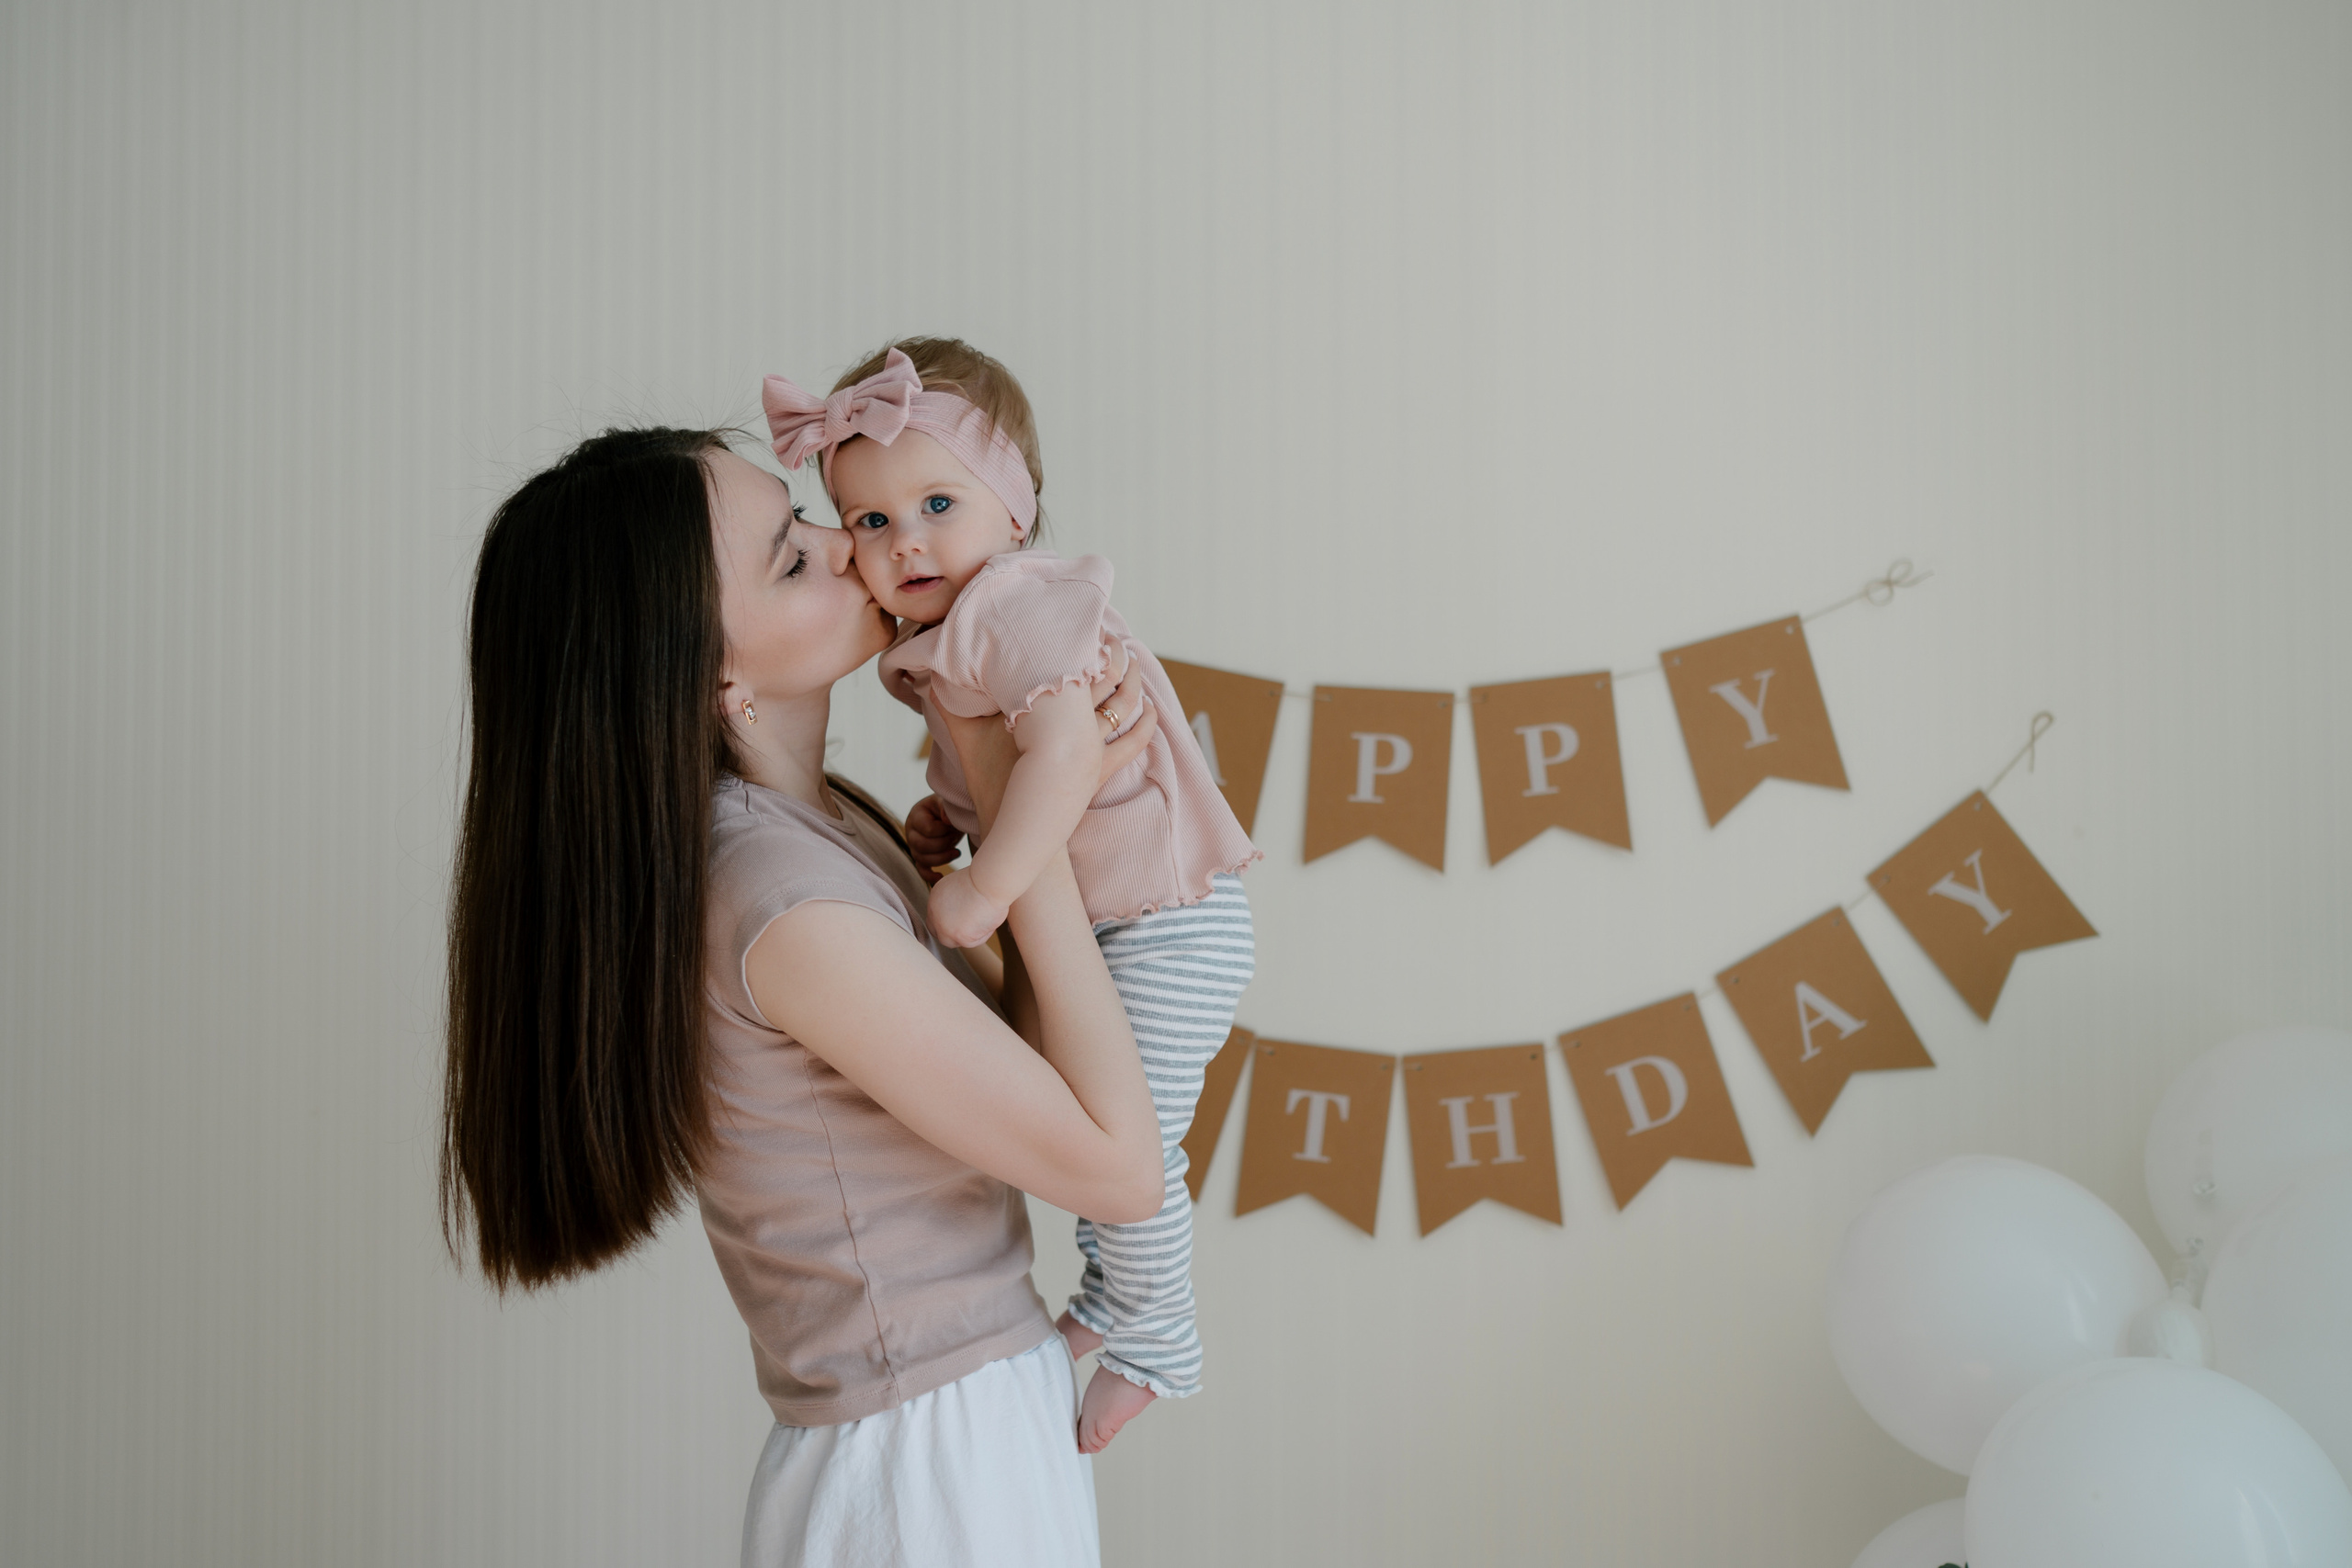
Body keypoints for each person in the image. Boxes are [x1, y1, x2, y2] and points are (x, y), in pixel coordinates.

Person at [440, 424, 1167, 1566]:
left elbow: (1039, 1068)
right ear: (706, 672)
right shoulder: (779, 898)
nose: (850, 544)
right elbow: (1119, 1168)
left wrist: (1011, 801)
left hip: (962, 1427)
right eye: (790, 556)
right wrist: (1038, 813)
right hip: (926, 1470)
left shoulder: (821, 822)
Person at [763, 340, 1258, 1454]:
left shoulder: (1018, 605)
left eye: (938, 503)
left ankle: (1158, 1339)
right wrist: (954, 821)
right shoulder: (958, 632)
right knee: (1098, 1123)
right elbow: (1013, 772)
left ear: (1015, 512)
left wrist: (985, 883)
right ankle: (1109, 1297)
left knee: (1132, 1146)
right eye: (871, 523)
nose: (908, 543)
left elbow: (1065, 754)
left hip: (1168, 926)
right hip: (1121, 923)